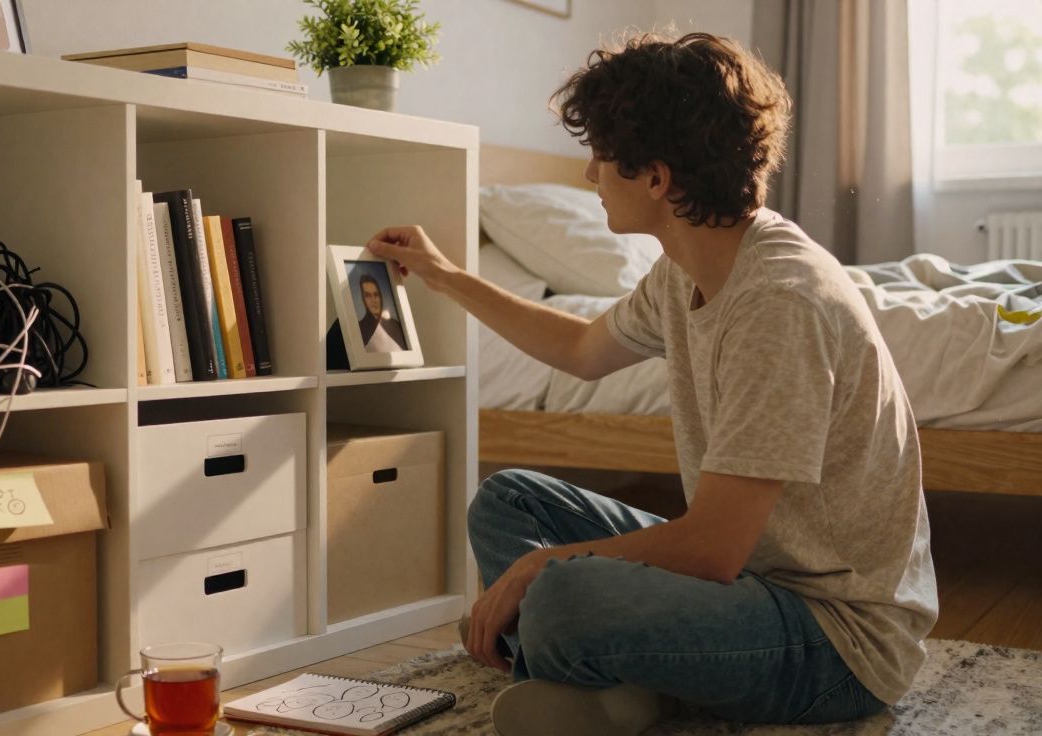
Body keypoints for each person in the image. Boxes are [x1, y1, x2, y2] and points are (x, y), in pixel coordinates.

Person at [365, 31, 936, 736]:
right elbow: (578, 347)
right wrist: (444, 274)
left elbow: (711, 550)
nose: (588, 178)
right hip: (751, 584)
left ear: (657, 178)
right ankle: (623, 686)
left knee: (560, 598)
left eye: (601, 159)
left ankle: (615, 680)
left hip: (836, 641)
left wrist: (540, 571)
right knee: (507, 500)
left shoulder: (780, 303)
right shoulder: (686, 269)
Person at [357, 272, 407, 352]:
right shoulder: (359, 329)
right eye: (368, 296)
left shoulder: (396, 325)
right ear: (363, 299)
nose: (373, 300)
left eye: (376, 295)